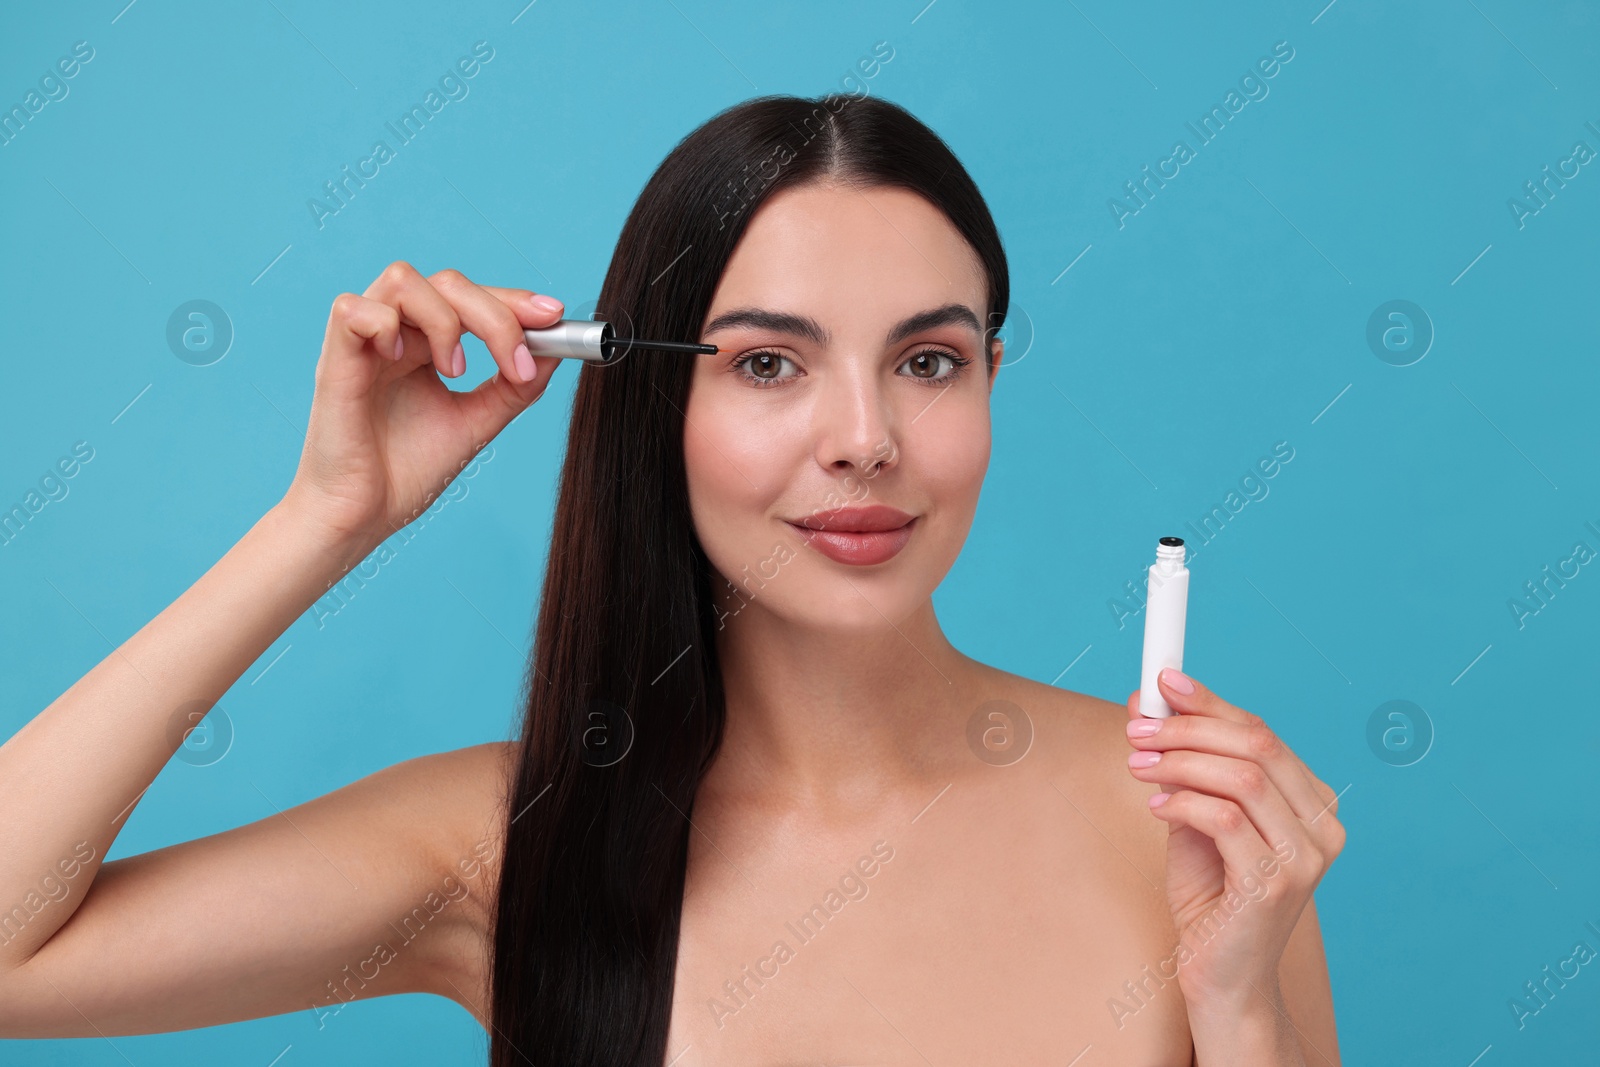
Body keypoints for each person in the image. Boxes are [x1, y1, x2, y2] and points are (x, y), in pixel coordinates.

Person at [0, 93, 1343, 1066]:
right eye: (769, 363)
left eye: (929, 360)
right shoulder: (509, 846)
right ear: (651, 401)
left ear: (993, 378)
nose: (864, 438)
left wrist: (1241, 1017)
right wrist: (326, 518)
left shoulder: (1192, 830)